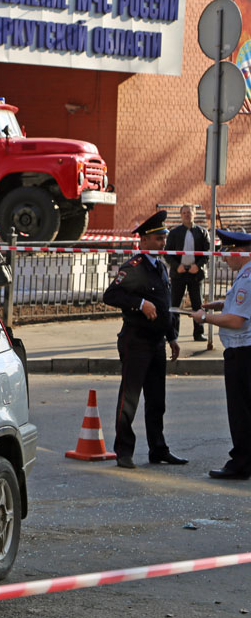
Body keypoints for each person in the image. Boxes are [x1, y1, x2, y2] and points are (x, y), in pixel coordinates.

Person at [103, 210, 186, 470]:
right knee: (130, 398)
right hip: (136, 340)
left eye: (164, 238)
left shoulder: (160, 267)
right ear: (144, 241)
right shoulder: (135, 267)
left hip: (157, 342)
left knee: (157, 400)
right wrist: (139, 303)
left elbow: (164, 305)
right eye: (158, 239)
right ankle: (124, 452)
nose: (163, 243)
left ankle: (158, 449)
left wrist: (171, 336)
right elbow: (111, 296)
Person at [189, 228, 251, 479]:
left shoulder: (247, 277)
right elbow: (239, 308)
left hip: (243, 354)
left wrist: (205, 318)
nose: (224, 258)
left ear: (239, 253)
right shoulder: (245, 274)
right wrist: (220, 305)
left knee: (241, 412)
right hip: (244, 352)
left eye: (226, 252)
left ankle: (241, 463)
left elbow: (236, 321)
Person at [165, 204, 210, 341]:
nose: (187, 215)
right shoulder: (174, 233)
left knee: (198, 305)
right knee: (174, 306)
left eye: (189, 212)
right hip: (178, 273)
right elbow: (167, 253)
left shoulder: (202, 232)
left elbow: (207, 253)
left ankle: (198, 333)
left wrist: (198, 265)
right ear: (181, 215)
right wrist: (176, 265)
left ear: (194, 214)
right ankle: (173, 334)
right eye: (184, 213)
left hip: (196, 274)